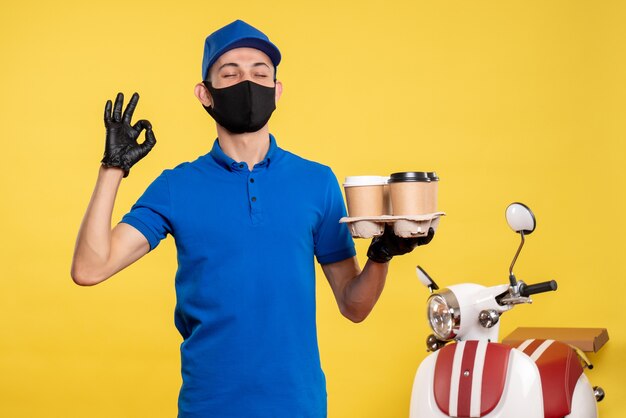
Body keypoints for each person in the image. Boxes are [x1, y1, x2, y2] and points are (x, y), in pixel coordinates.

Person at [71, 19, 434, 418]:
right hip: (207, 408)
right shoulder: (176, 186)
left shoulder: (317, 182)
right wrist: (112, 168)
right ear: (205, 94)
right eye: (230, 73)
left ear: (277, 91)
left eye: (260, 73)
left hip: (299, 407)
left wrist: (381, 254)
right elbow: (90, 268)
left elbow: (354, 306)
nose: (247, 81)